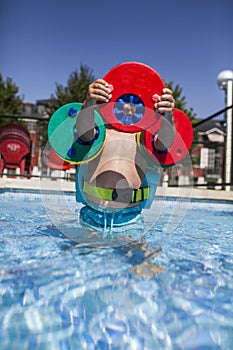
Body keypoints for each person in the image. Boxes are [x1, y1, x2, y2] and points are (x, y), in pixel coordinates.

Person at [74, 77, 175, 236]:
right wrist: (88, 103)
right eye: (122, 101)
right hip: (93, 213)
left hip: (129, 218)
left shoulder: (143, 136)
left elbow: (164, 143)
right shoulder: (100, 131)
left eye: (135, 102)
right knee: (83, 252)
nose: (128, 108)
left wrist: (168, 117)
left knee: (136, 255)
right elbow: (83, 133)